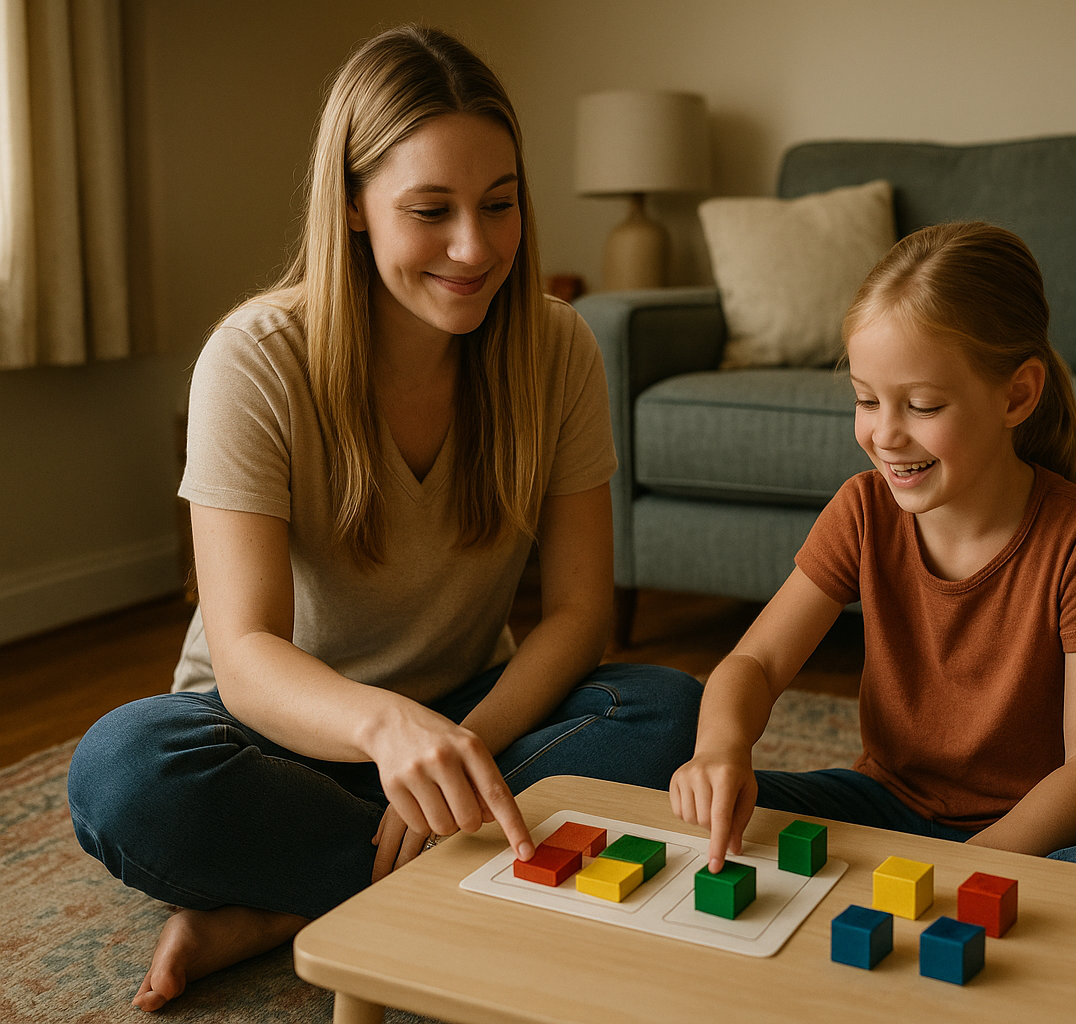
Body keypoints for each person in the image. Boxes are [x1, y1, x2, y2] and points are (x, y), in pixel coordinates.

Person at [67, 25, 701, 1012]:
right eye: (430, 211)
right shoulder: (254, 357)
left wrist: (466, 748)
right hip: (275, 736)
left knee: (669, 712)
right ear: (355, 206)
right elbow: (242, 652)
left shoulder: (560, 347)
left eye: (500, 205)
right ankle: (443, 867)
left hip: (473, 714)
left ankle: (283, 904)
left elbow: (580, 614)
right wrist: (384, 728)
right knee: (123, 772)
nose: (476, 248)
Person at [670, 221, 1076, 877]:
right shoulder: (863, 510)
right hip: (887, 804)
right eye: (867, 400)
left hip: (1040, 833)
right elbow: (753, 662)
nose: (885, 434)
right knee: (709, 822)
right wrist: (720, 747)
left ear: (1017, 395)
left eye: (922, 405)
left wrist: (967, 866)